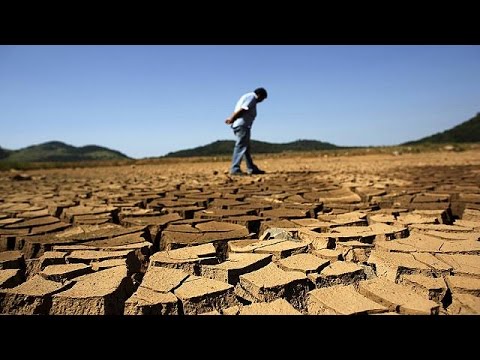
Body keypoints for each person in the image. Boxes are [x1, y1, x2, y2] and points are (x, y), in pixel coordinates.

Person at [225, 87, 268, 175]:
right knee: (240, 146)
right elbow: (243, 109)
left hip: (240, 125)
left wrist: (231, 118)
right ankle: (235, 169)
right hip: (242, 125)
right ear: (260, 95)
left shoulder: (247, 96)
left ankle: (251, 168)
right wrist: (232, 119)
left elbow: (237, 109)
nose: (261, 101)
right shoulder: (252, 98)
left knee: (245, 148)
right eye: (262, 99)